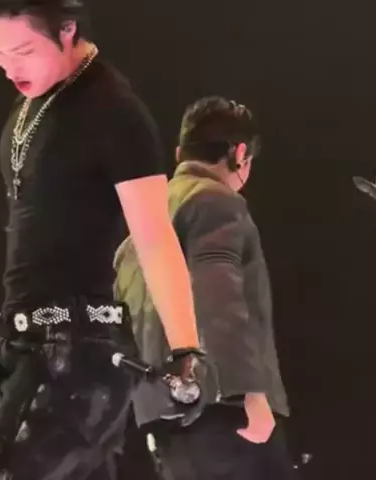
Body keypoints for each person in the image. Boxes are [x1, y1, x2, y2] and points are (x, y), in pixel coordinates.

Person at [0, 1, 205, 479]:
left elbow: (154, 236)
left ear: (67, 30)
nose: (10, 68)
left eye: (22, 51)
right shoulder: (33, 100)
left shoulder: (114, 111)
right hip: (30, 348)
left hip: (81, 354)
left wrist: (186, 352)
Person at [114, 96, 294, 480]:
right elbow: (218, 295)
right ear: (239, 154)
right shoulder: (215, 201)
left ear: (180, 154)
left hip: (161, 416)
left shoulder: (140, 230)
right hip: (222, 409)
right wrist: (249, 394)